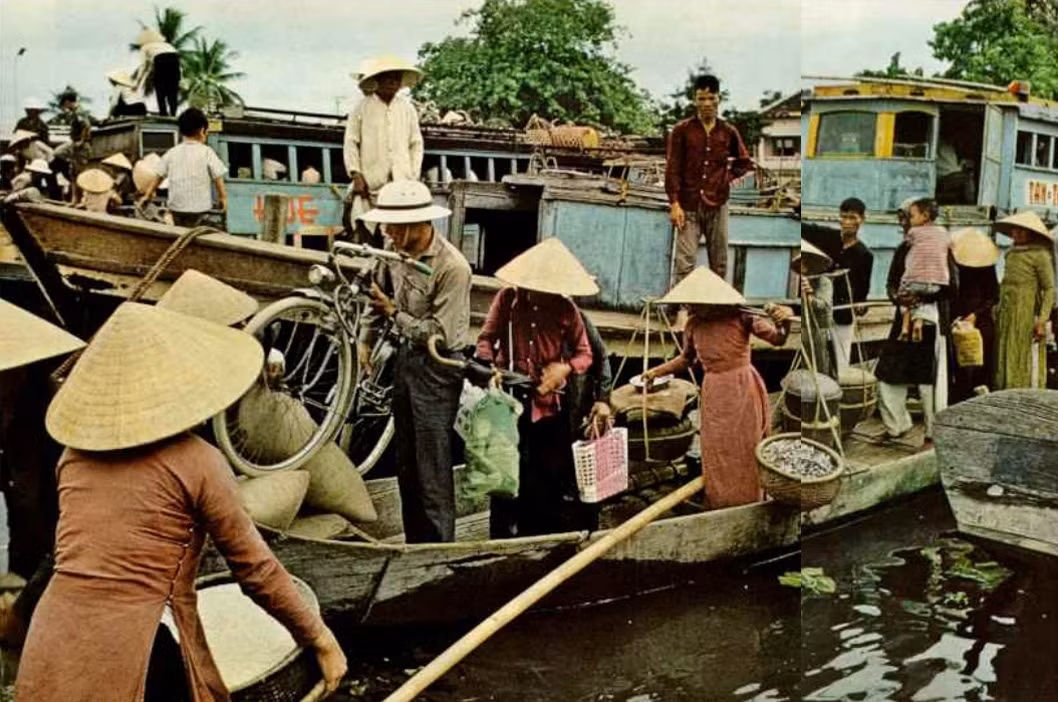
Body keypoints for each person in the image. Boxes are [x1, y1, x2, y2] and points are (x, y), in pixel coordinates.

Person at [13, 302, 347, 700]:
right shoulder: (199, 461)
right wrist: (320, 637)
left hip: (52, 636)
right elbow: (254, 568)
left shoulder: (72, 458)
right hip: (133, 646)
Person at [356, 180, 471, 543]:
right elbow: (376, 296)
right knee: (406, 462)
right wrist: (365, 340)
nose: (386, 233)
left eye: (392, 226)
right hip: (406, 362)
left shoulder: (453, 267)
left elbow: (440, 334)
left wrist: (393, 315)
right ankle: (414, 543)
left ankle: (439, 549)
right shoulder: (391, 254)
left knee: (432, 465)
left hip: (439, 368)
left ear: (415, 225)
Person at [641, 267, 793, 509]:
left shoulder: (743, 317)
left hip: (742, 386)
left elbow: (778, 339)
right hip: (715, 390)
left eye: (695, 302)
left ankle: (750, 500)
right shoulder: (693, 324)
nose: (690, 307)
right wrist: (656, 371)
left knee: (746, 446)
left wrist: (783, 322)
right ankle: (720, 500)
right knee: (717, 449)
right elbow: (686, 359)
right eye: (688, 303)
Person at [476, 238, 597, 538]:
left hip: (547, 405)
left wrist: (564, 369)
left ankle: (537, 538)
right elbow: (484, 340)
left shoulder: (567, 310)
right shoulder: (507, 300)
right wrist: (490, 368)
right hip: (508, 401)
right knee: (503, 475)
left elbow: (586, 355)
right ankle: (500, 539)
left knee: (544, 479)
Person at [874, 197, 954, 443]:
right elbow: (891, 283)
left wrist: (920, 297)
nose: (904, 223)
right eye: (903, 218)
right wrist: (899, 299)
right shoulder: (904, 248)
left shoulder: (941, 248)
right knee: (886, 373)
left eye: (907, 217)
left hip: (928, 321)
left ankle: (932, 433)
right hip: (903, 320)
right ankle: (897, 426)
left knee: (927, 379)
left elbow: (951, 288)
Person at [665, 74, 753, 284]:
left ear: (718, 99)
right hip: (689, 205)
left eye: (710, 98)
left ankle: (717, 313)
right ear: (694, 100)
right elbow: (673, 167)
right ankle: (682, 310)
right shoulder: (681, 131)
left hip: (718, 204)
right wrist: (674, 203)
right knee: (684, 262)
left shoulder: (728, 131)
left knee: (719, 262)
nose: (706, 104)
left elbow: (744, 163)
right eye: (701, 99)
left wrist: (725, 178)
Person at [343, 57, 425, 244]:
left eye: (396, 78)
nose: (392, 82)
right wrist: (356, 174)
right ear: (377, 80)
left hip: (401, 181)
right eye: (387, 78)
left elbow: (416, 144)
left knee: (400, 228)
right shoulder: (361, 108)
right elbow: (351, 142)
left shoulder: (407, 108)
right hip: (370, 181)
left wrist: (412, 174)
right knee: (363, 223)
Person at [993, 211, 1055, 389]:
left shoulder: (1040, 254)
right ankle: (1005, 391)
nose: (1017, 233)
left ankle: (1024, 394)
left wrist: (1042, 320)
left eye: (1022, 230)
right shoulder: (1010, 253)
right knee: (1006, 351)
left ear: (1031, 233)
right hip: (1007, 311)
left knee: (1025, 354)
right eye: (1014, 230)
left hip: (1027, 311)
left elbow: (1049, 289)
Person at [138, 107, 228, 228]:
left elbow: (158, 176)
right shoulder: (207, 152)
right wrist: (223, 198)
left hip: (176, 208)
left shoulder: (172, 152)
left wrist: (147, 195)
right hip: (200, 208)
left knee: (179, 228)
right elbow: (218, 178)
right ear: (202, 130)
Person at [949, 228, 1000, 402]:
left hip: (980, 318)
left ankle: (979, 397)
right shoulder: (952, 265)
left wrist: (976, 314)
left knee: (980, 360)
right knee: (958, 361)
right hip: (958, 317)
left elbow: (993, 295)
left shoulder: (986, 267)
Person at [899, 198, 951, 343]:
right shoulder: (944, 232)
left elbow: (907, 243)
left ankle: (904, 327)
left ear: (925, 216)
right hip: (937, 282)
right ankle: (919, 323)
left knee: (905, 295)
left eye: (911, 216)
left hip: (913, 278)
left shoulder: (914, 232)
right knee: (926, 302)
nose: (908, 221)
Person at [831, 197, 874, 370]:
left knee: (841, 360)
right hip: (821, 311)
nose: (847, 222)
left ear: (862, 220)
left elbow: (862, 290)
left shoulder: (864, 255)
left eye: (852, 218)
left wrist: (861, 305)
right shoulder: (830, 244)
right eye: (844, 217)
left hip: (843, 313)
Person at [800, 240, 839, 379]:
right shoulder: (804, 280)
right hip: (805, 328)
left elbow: (823, 305)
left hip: (820, 330)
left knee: (821, 367)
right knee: (805, 366)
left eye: (803, 263)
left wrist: (809, 294)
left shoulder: (823, 281)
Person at [134, 29, 181, 116]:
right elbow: (178, 62)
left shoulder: (145, 47)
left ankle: (163, 113)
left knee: (160, 90)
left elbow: (143, 66)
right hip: (174, 60)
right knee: (172, 91)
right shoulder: (168, 45)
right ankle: (173, 113)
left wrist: (138, 82)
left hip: (161, 61)